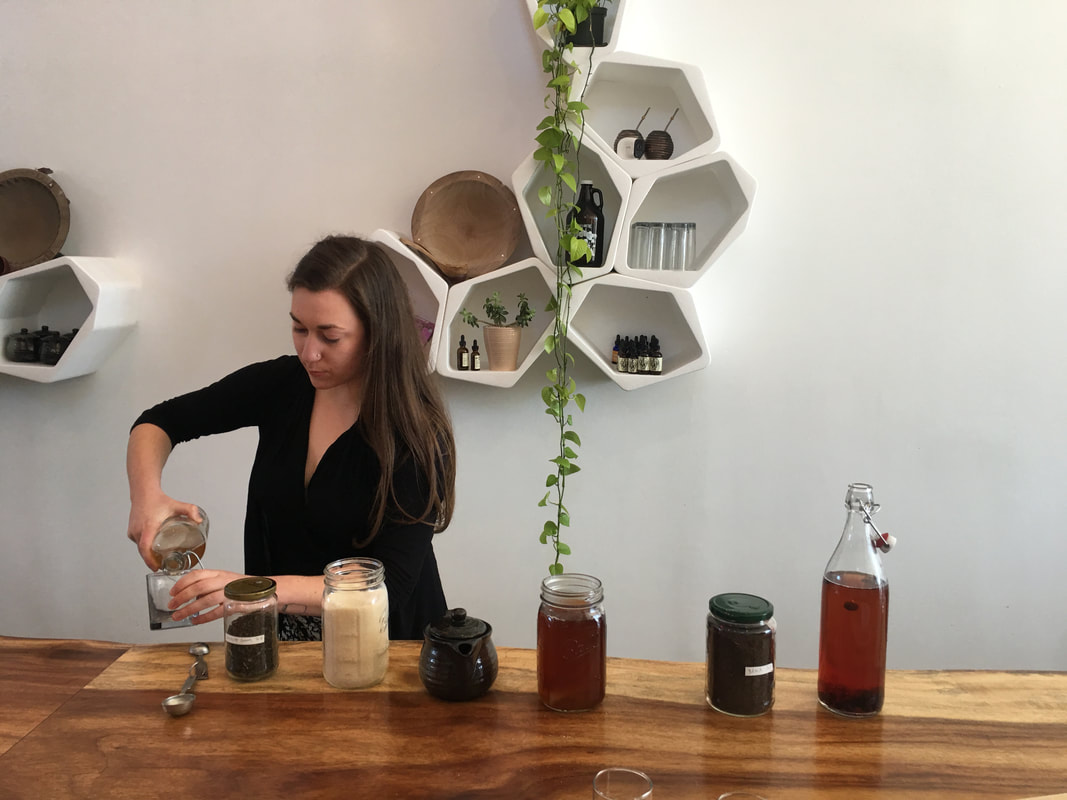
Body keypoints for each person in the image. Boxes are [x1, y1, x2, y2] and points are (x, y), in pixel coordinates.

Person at [127, 235, 456, 641]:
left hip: (388, 645)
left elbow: (388, 586)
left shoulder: (415, 433)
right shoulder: (283, 386)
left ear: (378, 333)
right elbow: (159, 422)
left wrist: (248, 591)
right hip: (289, 641)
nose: (309, 353)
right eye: (299, 328)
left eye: (329, 337)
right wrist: (147, 498)